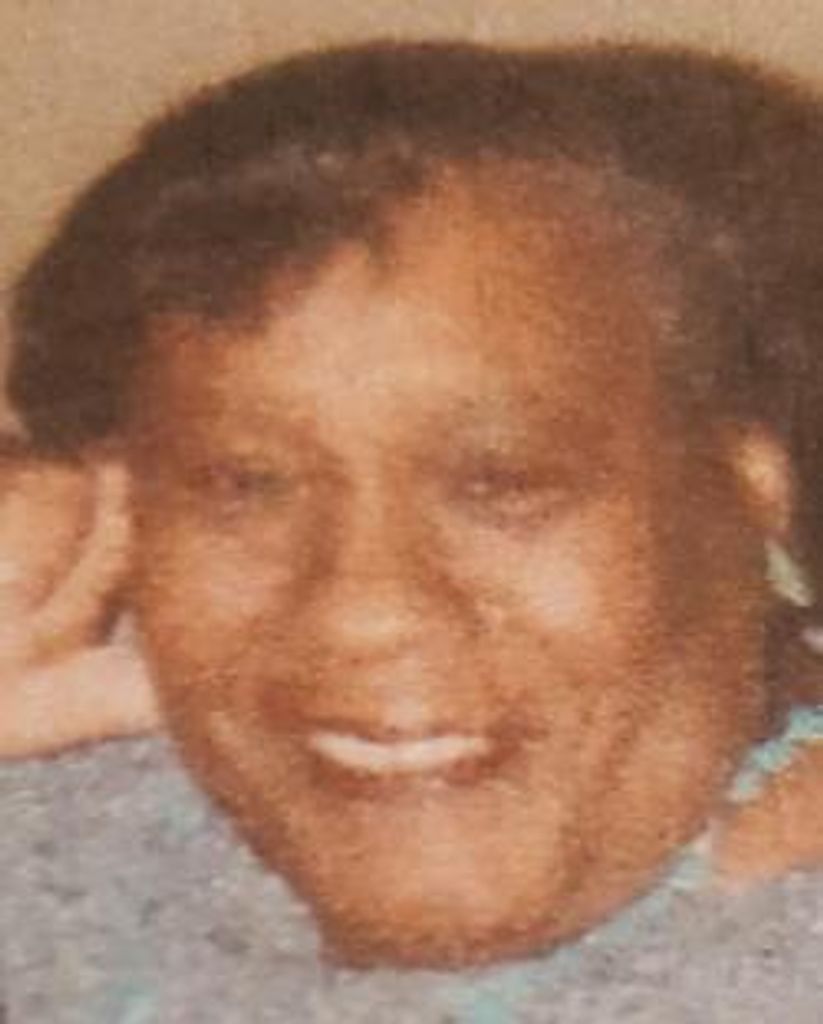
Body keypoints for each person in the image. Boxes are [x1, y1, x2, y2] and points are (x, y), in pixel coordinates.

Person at [3, 40, 823, 970]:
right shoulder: (75, 839)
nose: (365, 612)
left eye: (503, 486)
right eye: (242, 486)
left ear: (749, 491)